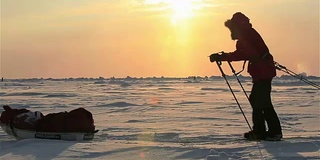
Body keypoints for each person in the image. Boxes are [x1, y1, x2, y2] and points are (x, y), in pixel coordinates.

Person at [209, 12, 282, 141]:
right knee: (258, 100)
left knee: (261, 102)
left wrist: (222, 57)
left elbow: (244, 54)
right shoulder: (248, 34)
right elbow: (244, 53)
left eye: (232, 28)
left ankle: (270, 132)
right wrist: (224, 56)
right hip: (262, 71)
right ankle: (263, 131)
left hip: (263, 72)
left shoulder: (247, 35)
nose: (231, 31)